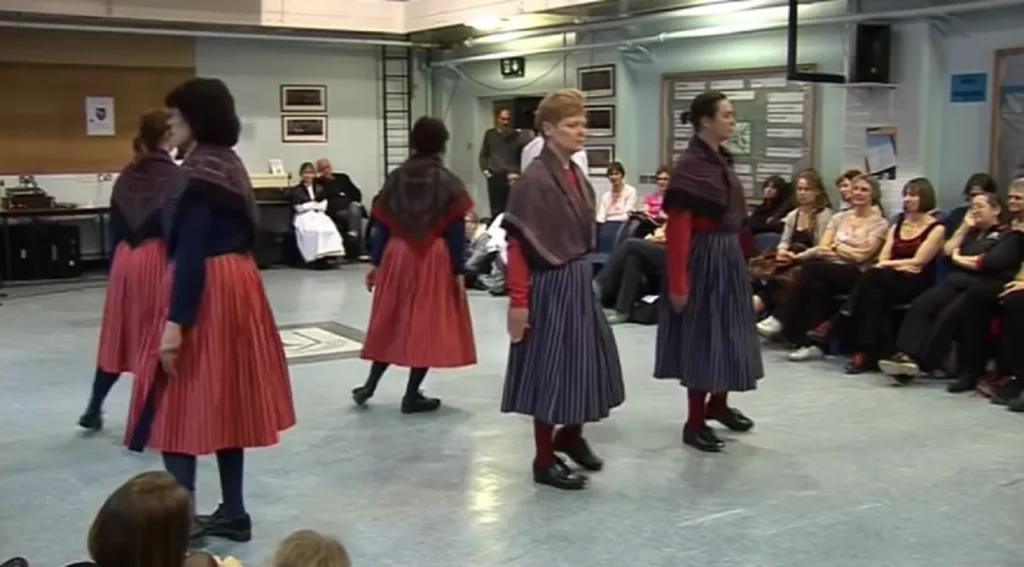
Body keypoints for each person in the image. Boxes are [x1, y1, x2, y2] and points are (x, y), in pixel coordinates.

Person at [124, 77, 296, 543]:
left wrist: (176, 323)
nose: (170, 124)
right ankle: (234, 512)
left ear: (196, 118)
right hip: (238, 283)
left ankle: (182, 520)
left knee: (174, 402)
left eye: (177, 116)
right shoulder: (228, 163)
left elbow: (193, 247)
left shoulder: (199, 172)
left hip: (206, 287)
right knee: (228, 400)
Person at [501, 88, 625, 490]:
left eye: (583, 124)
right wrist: (518, 302)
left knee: (585, 363)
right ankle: (543, 456)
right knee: (551, 371)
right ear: (549, 129)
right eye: (572, 125)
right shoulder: (535, 180)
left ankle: (570, 434)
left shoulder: (574, 174)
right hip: (550, 284)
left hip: (577, 279)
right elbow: (517, 243)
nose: (581, 131)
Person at [653, 90, 762, 453]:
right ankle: (694, 420)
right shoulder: (690, 168)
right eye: (726, 115)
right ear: (706, 122)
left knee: (729, 333)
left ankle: (719, 402)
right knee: (703, 338)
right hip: (704, 258)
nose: (732, 121)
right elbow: (679, 230)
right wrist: (679, 282)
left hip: (727, 255)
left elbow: (736, 220)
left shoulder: (721, 160)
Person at [354, 116, 477, 413]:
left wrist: (377, 262)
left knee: (391, 320)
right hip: (433, 256)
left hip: (397, 252)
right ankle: (411, 395)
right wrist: (459, 270)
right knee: (426, 323)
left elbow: (381, 225)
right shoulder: (448, 182)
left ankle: (369, 385)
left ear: (413, 142)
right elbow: (455, 231)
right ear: (442, 145)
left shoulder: (397, 178)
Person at [79, 110, 180, 432]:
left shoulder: (127, 173)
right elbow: (176, 229)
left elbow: (116, 226)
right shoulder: (174, 177)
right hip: (157, 259)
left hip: (125, 259)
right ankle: (145, 422)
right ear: (166, 136)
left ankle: (94, 407)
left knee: (118, 336)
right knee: (155, 338)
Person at [878, 191, 1021, 391]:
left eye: (980, 206)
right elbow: (947, 252)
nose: (975, 211)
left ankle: (920, 361)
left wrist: (961, 259)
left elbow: (990, 262)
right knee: (922, 305)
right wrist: (963, 228)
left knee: (948, 314)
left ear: (996, 209)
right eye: (972, 207)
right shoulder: (970, 233)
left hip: (979, 285)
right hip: (955, 281)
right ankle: (905, 355)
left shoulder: (1006, 234)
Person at [758, 174, 889, 362]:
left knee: (810, 270)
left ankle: (780, 318)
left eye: (864, 190)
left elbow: (862, 257)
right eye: (856, 189)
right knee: (815, 286)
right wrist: (845, 248)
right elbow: (823, 247)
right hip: (830, 269)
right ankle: (812, 344)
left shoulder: (880, 223)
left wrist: (838, 247)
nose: (859, 193)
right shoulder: (839, 218)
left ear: (873, 195)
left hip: (857, 274)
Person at [823, 177, 944, 373]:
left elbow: (918, 262)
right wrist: (892, 265)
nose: (907, 199)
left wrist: (889, 264)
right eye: (905, 195)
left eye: (913, 195)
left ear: (925, 198)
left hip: (916, 281)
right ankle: (870, 352)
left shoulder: (936, 228)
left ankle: (842, 319)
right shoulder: (897, 225)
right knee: (873, 296)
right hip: (890, 278)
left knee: (873, 277)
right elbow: (884, 256)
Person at [749, 168, 833, 317]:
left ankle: (767, 313)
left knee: (783, 279)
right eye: (799, 189)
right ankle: (755, 310)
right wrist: (782, 251)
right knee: (763, 271)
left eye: (807, 189)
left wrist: (797, 258)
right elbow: (784, 241)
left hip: (811, 260)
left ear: (817, 192)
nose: (802, 193)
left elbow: (821, 247)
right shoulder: (793, 215)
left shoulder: (824, 215)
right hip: (790, 258)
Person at [593, 223, 666, 324]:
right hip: (661, 246)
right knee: (633, 258)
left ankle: (599, 285)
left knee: (629, 244)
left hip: (676, 255)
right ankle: (623, 311)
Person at [289, 161, 344, 264]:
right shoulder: (296, 190)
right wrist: (312, 205)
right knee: (315, 231)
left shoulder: (319, 188)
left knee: (328, 229)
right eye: (305, 173)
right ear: (301, 174)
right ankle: (315, 257)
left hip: (318, 214)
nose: (308, 175)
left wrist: (311, 204)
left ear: (314, 174)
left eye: (310, 173)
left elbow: (323, 205)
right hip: (304, 216)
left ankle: (329, 255)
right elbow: (299, 207)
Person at [316, 158, 366, 257]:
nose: (326, 170)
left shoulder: (342, 177)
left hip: (350, 206)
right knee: (355, 215)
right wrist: (323, 180)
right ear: (319, 171)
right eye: (322, 168)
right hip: (336, 210)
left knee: (354, 210)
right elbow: (320, 197)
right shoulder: (319, 183)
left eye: (327, 167)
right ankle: (360, 250)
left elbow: (356, 192)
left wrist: (356, 201)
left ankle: (353, 232)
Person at [480, 106, 522, 217]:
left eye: (507, 119)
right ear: (497, 119)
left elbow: (520, 154)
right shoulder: (490, 134)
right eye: (503, 119)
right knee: (495, 209)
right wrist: (486, 171)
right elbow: (484, 153)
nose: (505, 122)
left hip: (511, 176)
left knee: (512, 209)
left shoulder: (516, 135)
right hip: (495, 175)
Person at [943, 172, 998, 237]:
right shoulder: (956, 215)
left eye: (981, 194)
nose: (977, 199)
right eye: (973, 195)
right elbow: (947, 245)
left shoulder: (1003, 216)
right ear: (968, 196)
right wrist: (964, 227)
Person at [520, 126, 589, 175]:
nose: (582, 132)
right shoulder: (535, 148)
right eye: (571, 126)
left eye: (583, 125)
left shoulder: (579, 152)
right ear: (548, 128)